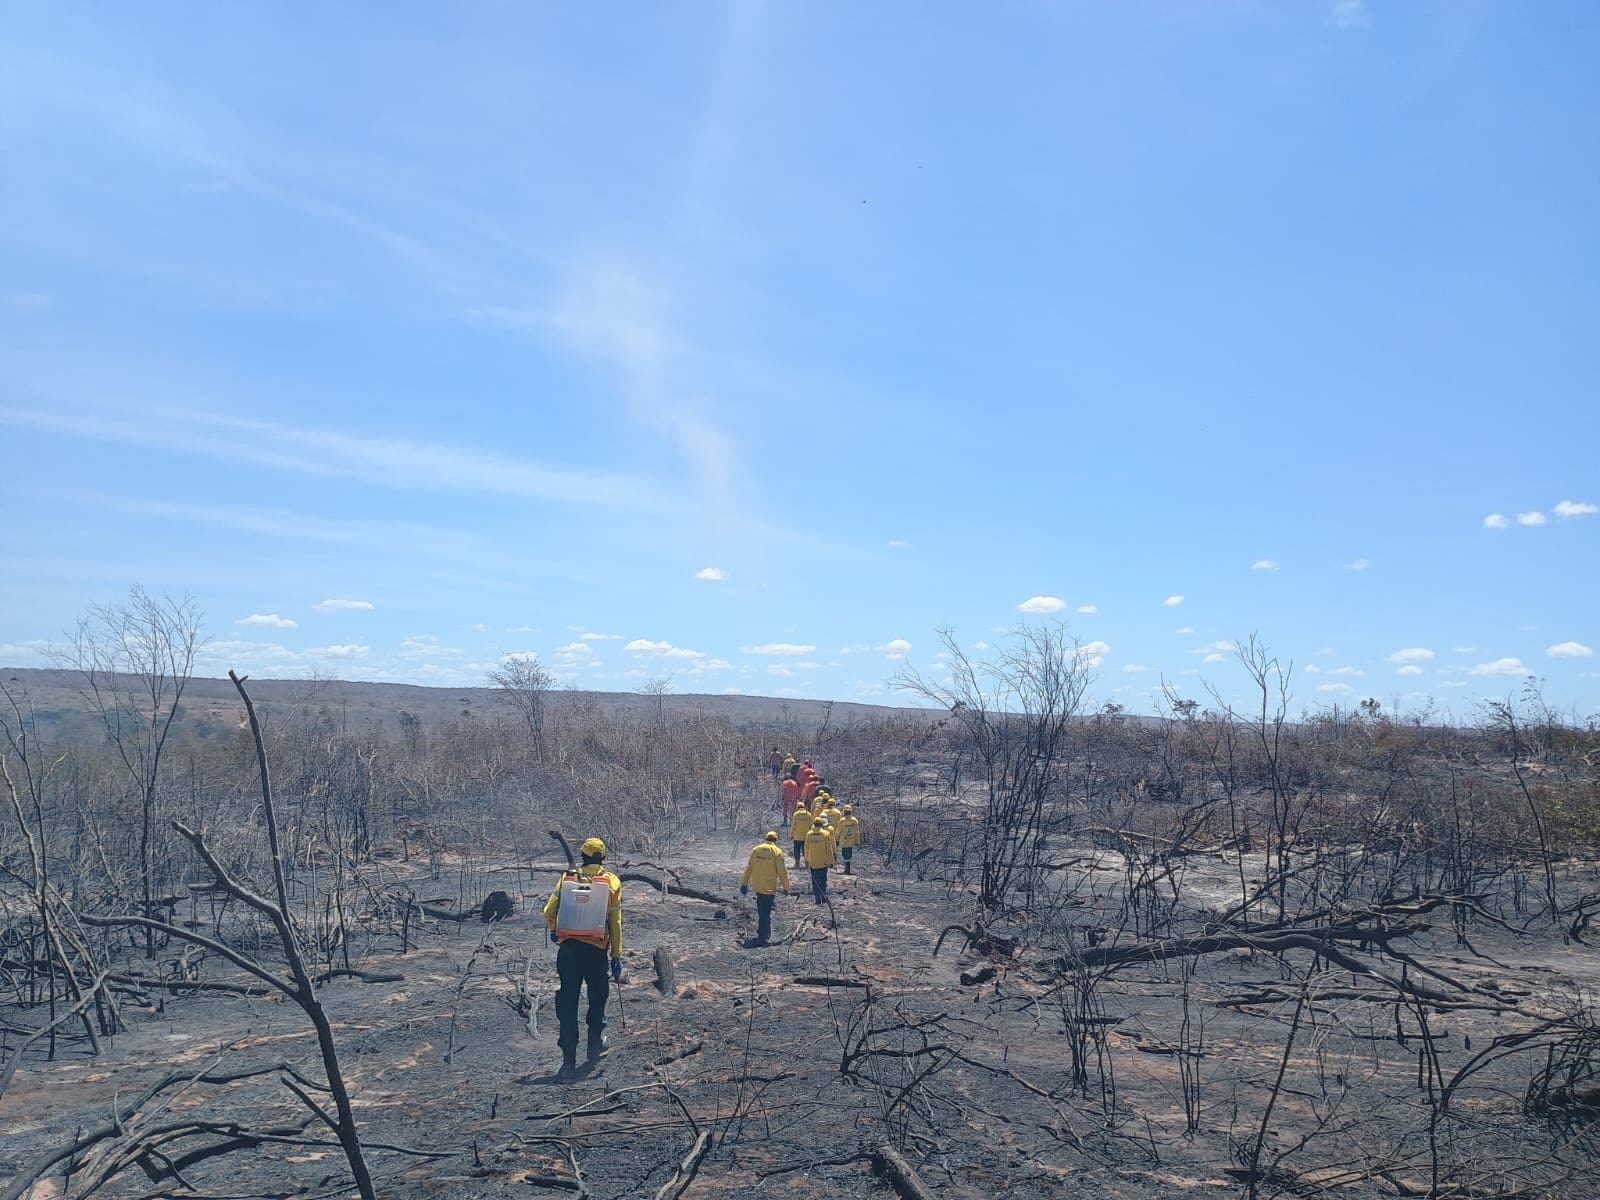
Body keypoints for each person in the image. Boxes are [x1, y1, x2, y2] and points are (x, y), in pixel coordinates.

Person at [542, 837, 623, 1082]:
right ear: (603, 858)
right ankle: (595, 1046)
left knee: (568, 1001)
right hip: (596, 952)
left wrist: (555, 930)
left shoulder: (567, 878)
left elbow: (548, 911)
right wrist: (616, 955)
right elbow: (615, 922)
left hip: (569, 952)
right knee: (598, 997)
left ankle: (568, 1063)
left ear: (583, 856)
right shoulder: (611, 882)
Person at [739, 831, 791, 945]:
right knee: (765, 912)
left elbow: (749, 868)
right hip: (769, 887)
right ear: (775, 840)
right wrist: (786, 887)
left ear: (766, 839)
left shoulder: (756, 849)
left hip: (757, 885)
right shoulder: (777, 851)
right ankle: (763, 936)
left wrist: (744, 883)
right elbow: (782, 871)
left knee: (762, 910)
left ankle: (764, 933)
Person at [804, 815, 836, 903]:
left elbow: (806, 848)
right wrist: (831, 861)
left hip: (813, 862)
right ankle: (823, 896)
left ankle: (817, 898)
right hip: (823, 862)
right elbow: (829, 849)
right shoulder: (826, 834)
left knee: (815, 881)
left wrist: (806, 860)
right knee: (823, 880)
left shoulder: (809, 834)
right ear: (821, 824)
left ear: (814, 824)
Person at [836, 805, 861, 874]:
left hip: (844, 841)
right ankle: (847, 869)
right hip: (851, 840)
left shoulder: (842, 820)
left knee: (844, 854)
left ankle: (847, 870)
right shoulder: (854, 820)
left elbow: (838, 831)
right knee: (849, 854)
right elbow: (857, 832)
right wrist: (858, 841)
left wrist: (836, 839)